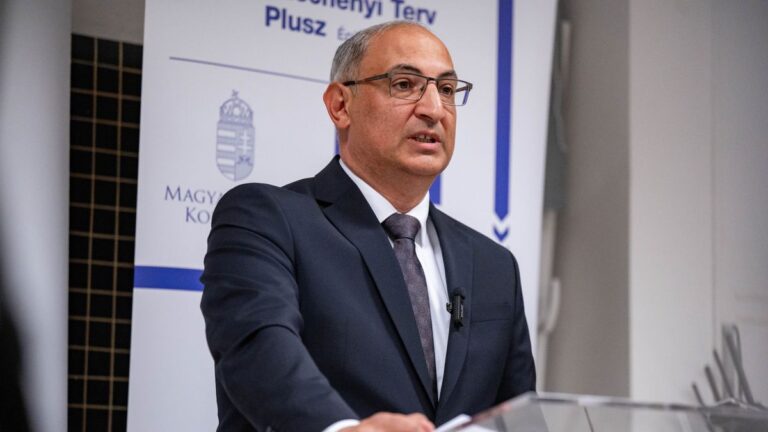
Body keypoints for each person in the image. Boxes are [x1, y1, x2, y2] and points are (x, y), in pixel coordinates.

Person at [201, 21, 535, 432]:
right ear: (341, 105)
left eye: (447, 90)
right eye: (404, 84)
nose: (434, 109)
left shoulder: (494, 265)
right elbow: (259, 347)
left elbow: (518, 416)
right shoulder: (266, 218)